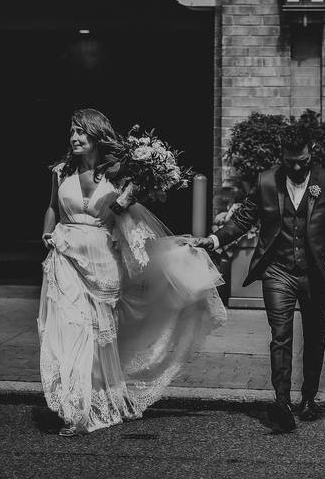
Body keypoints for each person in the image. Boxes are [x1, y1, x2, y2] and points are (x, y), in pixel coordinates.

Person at [40, 108, 226, 436]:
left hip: (103, 262)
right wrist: (46, 233)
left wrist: (125, 201)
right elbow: (52, 208)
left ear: (97, 136)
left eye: (81, 132)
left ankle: (104, 400)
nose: (74, 137)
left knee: (99, 337)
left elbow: (124, 219)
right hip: (65, 256)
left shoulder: (119, 176)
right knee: (72, 329)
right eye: (71, 131)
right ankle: (76, 410)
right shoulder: (60, 171)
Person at [192, 125, 325, 432]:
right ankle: (282, 403)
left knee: (314, 332)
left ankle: (308, 398)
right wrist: (213, 240)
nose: (296, 167)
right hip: (277, 270)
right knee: (280, 335)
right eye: (290, 161)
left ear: (311, 152)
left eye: (302, 161)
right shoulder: (267, 180)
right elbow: (243, 218)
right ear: (282, 155)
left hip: (315, 272)